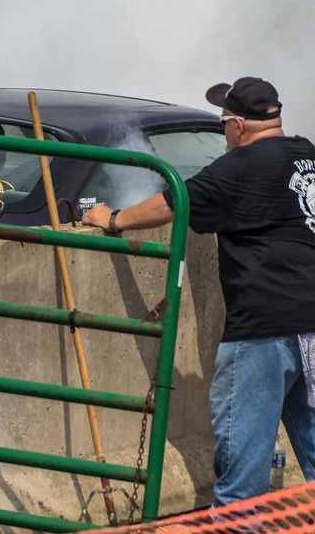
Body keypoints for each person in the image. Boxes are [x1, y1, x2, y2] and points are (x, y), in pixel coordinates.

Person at [82, 77, 315, 506]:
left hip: (262, 332)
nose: (224, 132)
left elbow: (172, 203)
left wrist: (111, 219)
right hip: (311, 330)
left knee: (241, 479)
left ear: (238, 125)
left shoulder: (238, 168)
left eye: (224, 122)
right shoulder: (309, 156)